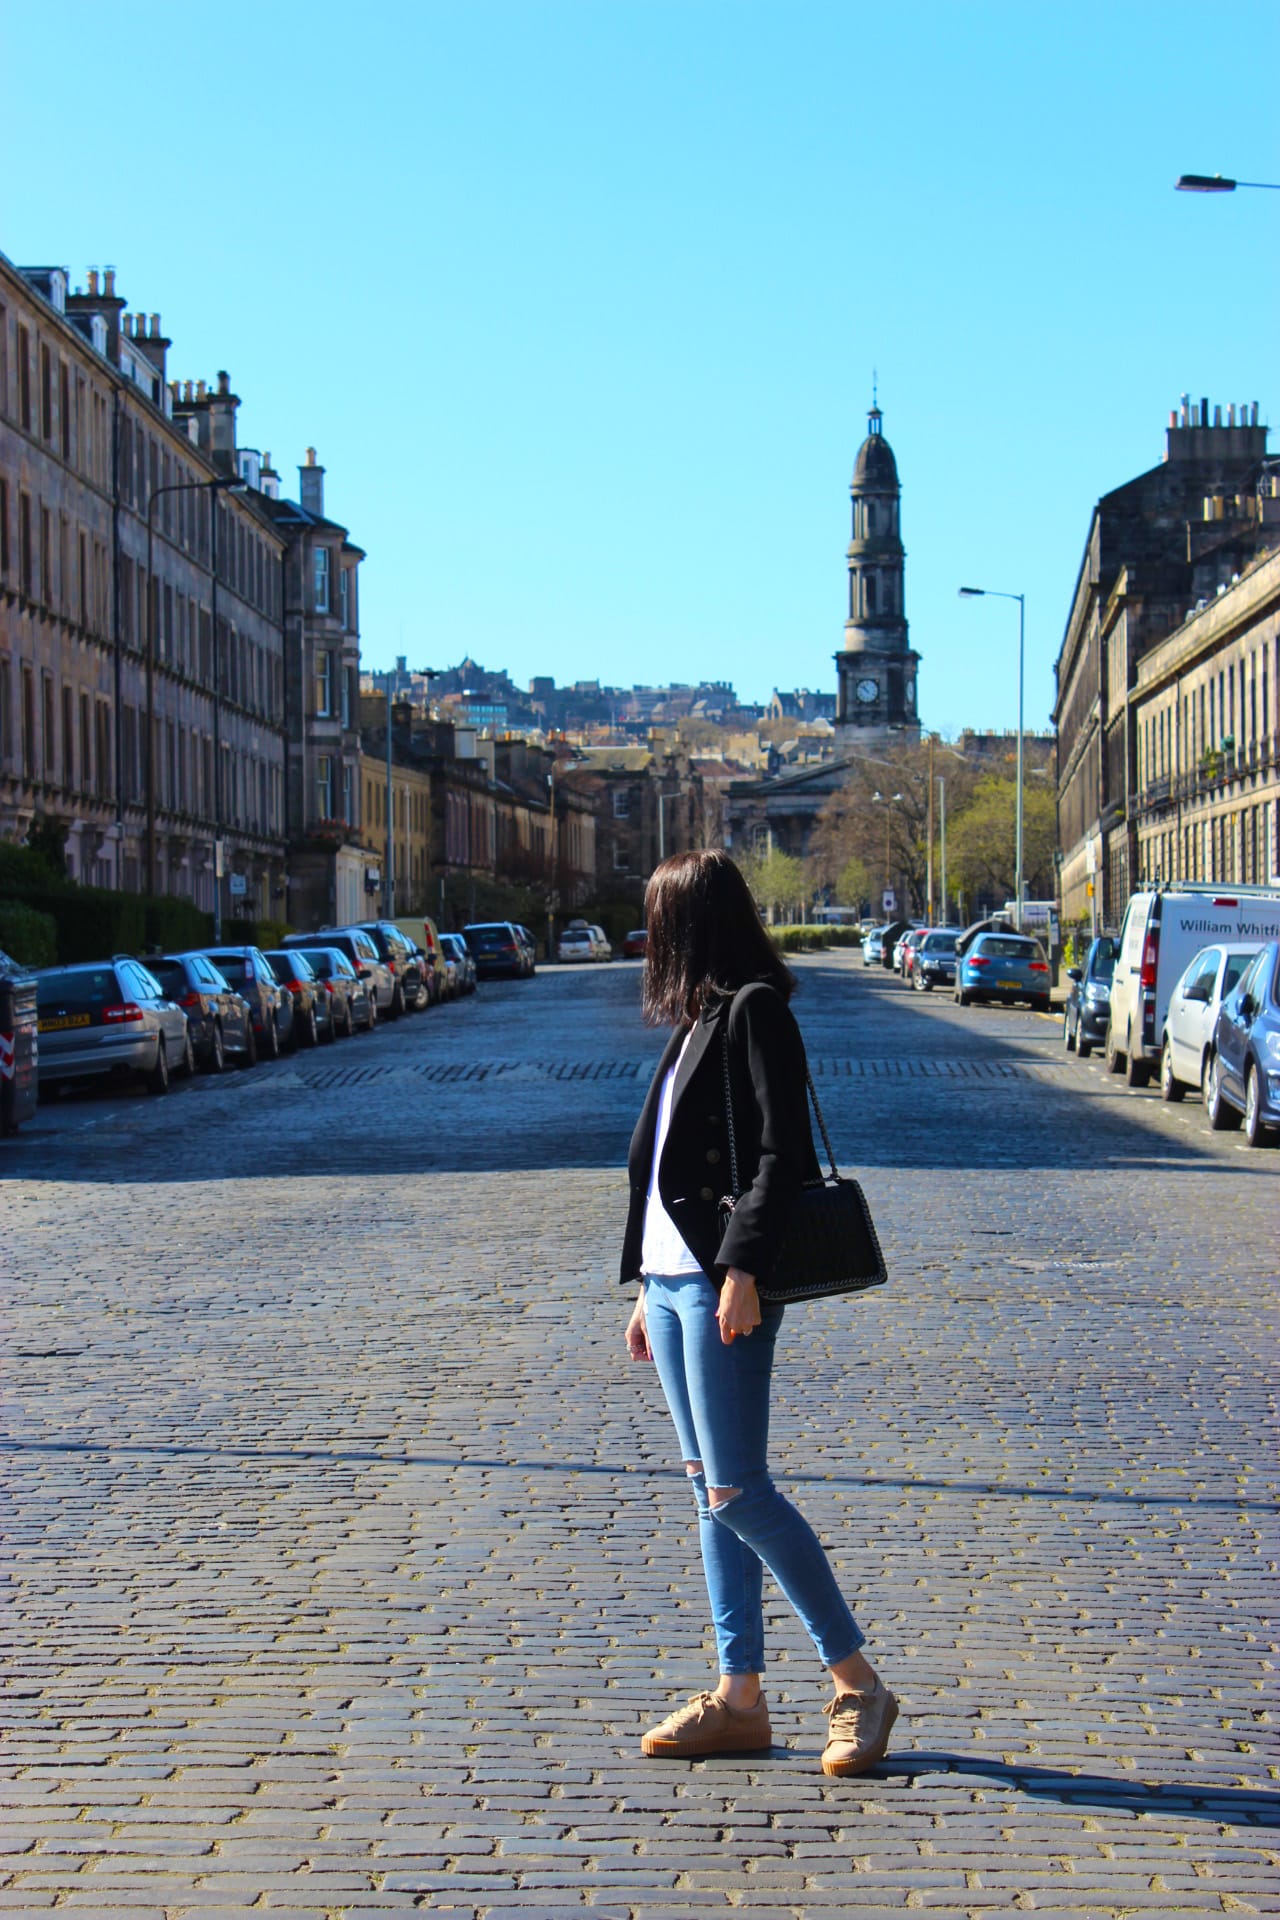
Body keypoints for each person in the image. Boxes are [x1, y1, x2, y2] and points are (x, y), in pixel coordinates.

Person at [622, 850, 898, 1774]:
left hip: (718, 1283)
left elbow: (781, 1157)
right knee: (711, 1490)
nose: (647, 938)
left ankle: (857, 1682)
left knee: (739, 1489)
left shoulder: (753, 1011)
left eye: (659, 919)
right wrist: (645, 1287)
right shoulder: (695, 1018)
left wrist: (738, 1269)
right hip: (670, 1286)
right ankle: (739, 1699)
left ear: (691, 925)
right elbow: (660, 1164)